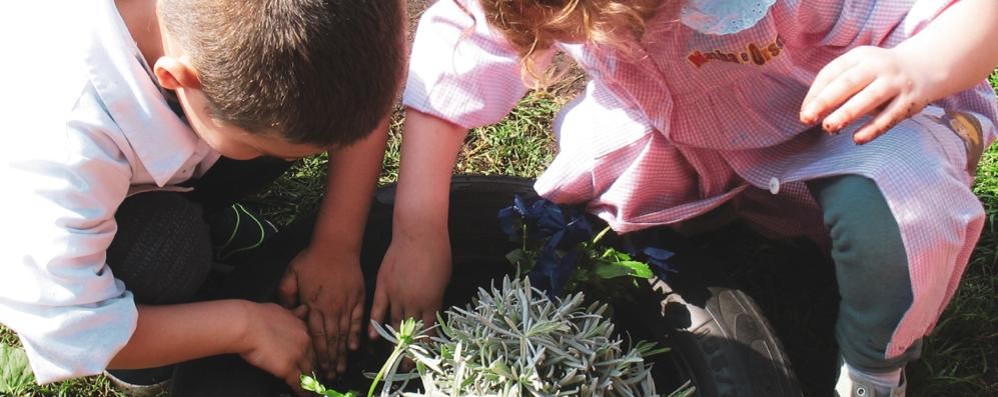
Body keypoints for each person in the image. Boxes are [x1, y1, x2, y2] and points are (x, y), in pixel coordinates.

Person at [382, 0, 998, 395]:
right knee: (590, 164)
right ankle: (717, 210)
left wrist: (921, 66)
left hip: (843, 124)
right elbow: (460, 47)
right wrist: (417, 232)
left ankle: (874, 369)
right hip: (687, 124)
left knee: (897, 214)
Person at [0, 0, 405, 393]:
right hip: (37, 205)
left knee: (298, 120)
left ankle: (206, 199)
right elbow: (68, 325)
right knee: (163, 252)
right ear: (176, 80)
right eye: (264, 149)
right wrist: (245, 328)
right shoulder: (62, 148)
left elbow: (357, 85)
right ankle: (149, 354)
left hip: (165, 139)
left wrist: (338, 243)